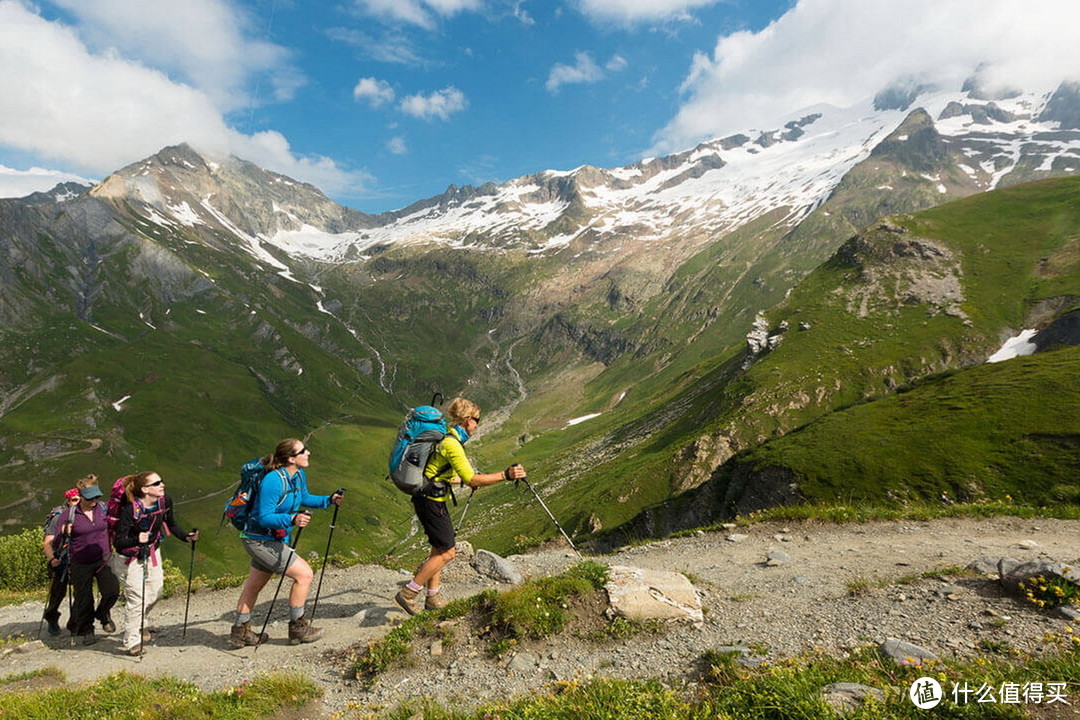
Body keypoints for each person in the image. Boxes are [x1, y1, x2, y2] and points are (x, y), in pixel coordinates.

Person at [395, 397, 526, 615]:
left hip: (430, 497)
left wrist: (465, 479)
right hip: (431, 501)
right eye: (476, 419)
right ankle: (409, 593)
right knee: (448, 552)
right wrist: (505, 475)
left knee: (438, 548)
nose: (477, 424)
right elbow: (471, 478)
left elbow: (445, 473)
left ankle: (432, 597)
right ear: (467, 420)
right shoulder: (451, 444)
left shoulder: (449, 439)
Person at [228, 439, 343, 648]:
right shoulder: (273, 480)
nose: (308, 452)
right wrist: (291, 519)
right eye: (303, 451)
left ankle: (239, 631)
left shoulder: (298, 475)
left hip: (269, 539)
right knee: (304, 574)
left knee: (254, 585)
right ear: (291, 458)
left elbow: (303, 498)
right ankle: (298, 628)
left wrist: (328, 499)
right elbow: (264, 516)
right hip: (260, 540)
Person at [113, 471, 198, 656]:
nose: (162, 485)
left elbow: (171, 523)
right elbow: (118, 542)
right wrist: (137, 539)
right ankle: (132, 641)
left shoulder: (164, 501)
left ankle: (141, 623)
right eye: (157, 483)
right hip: (129, 558)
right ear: (145, 489)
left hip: (152, 551)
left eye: (162, 481)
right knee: (136, 598)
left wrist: (186, 536)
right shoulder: (130, 509)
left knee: (156, 592)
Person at [64, 478, 120, 645]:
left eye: (96, 497)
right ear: (80, 496)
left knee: (112, 591)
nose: (94, 501)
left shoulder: (104, 508)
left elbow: (114, 526)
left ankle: (103, 613)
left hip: (104, 557)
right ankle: (87, 629)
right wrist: (64, 531)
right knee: (83, 597)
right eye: (90, 498)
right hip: (80, 562)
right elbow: (59, 539)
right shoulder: (70, 514)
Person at [41, 485, 82, 635]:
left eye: (80, 499)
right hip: (60, 557)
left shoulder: (88, 513)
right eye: (74, 500)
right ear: (68, 500)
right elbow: (47, 542)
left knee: (82, 591)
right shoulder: (58, 517)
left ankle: (75, 622)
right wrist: (52, 558)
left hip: (80, 558)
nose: (77, 503)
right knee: (58, 592)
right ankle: (51, 615)